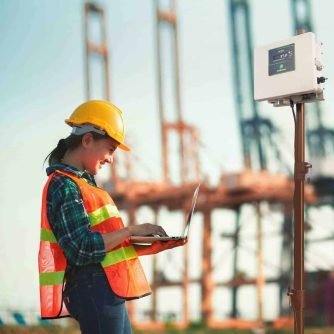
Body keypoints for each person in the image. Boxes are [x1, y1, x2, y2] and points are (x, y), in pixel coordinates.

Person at [38, 100, 186, 334]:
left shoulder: (82, 184)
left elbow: (104, 246)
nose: (111, 159)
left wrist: (148, 243)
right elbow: (81, 248)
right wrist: (130, 231)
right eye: (110, 149)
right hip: (94, 288)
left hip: (103, 287)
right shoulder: (64, 185)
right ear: (87, 140)